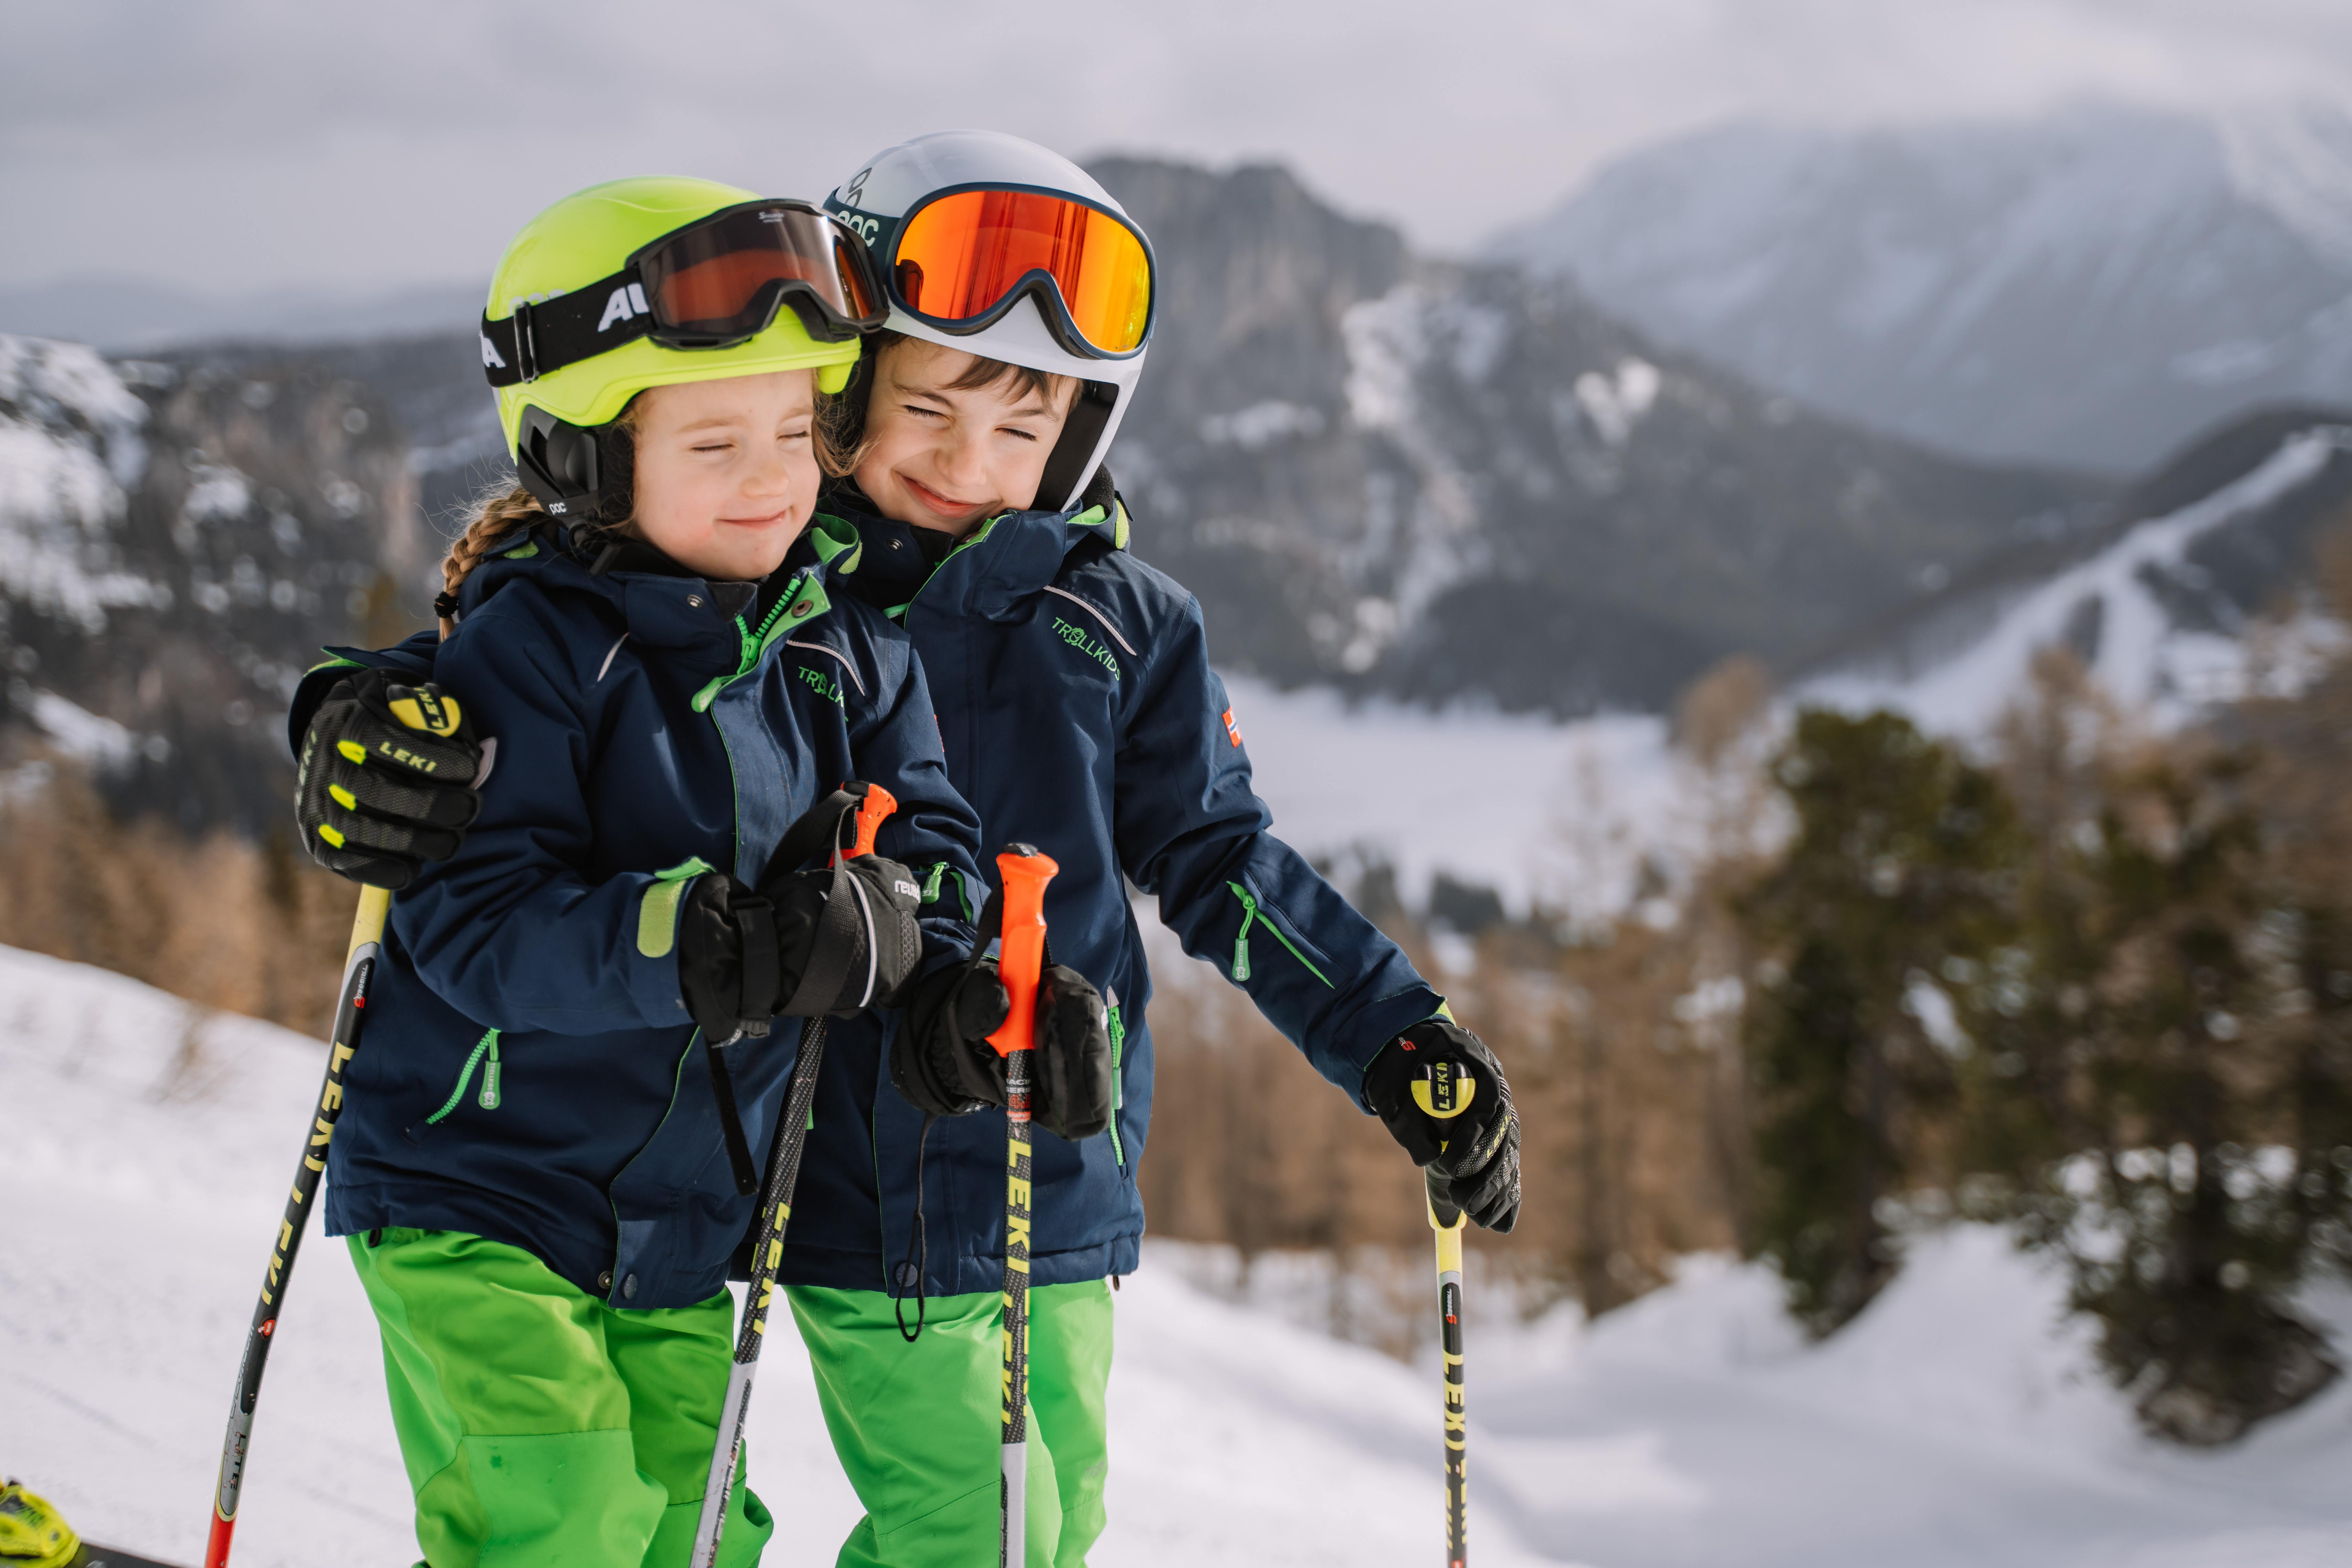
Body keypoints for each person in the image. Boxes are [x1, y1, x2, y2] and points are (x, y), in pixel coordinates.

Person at [290, 136, 1520, 1568]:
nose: (962, 463)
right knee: (937, 1522)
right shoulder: (786, 568)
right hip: (801, 1151)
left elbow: (1222, 858)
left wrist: (1393, 1036)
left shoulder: (1110, 624)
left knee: (1040, 1528)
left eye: (1020, 429)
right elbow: (536, 607)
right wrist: (353, 707)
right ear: (849, 383)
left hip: (1031, 1130)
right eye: (921, 405)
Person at [296, 175, 1110, 1568]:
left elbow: (930, 850)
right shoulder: (538, 650)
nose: (776, 477)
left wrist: (951, 992)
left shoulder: (844, 650)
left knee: (692, 1532)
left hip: (681, 1219)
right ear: (587, 457)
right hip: (480, 1182)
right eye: (717, 440)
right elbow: (475, 924)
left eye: (799, 430)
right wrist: (702, 940)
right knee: (559, 1522)